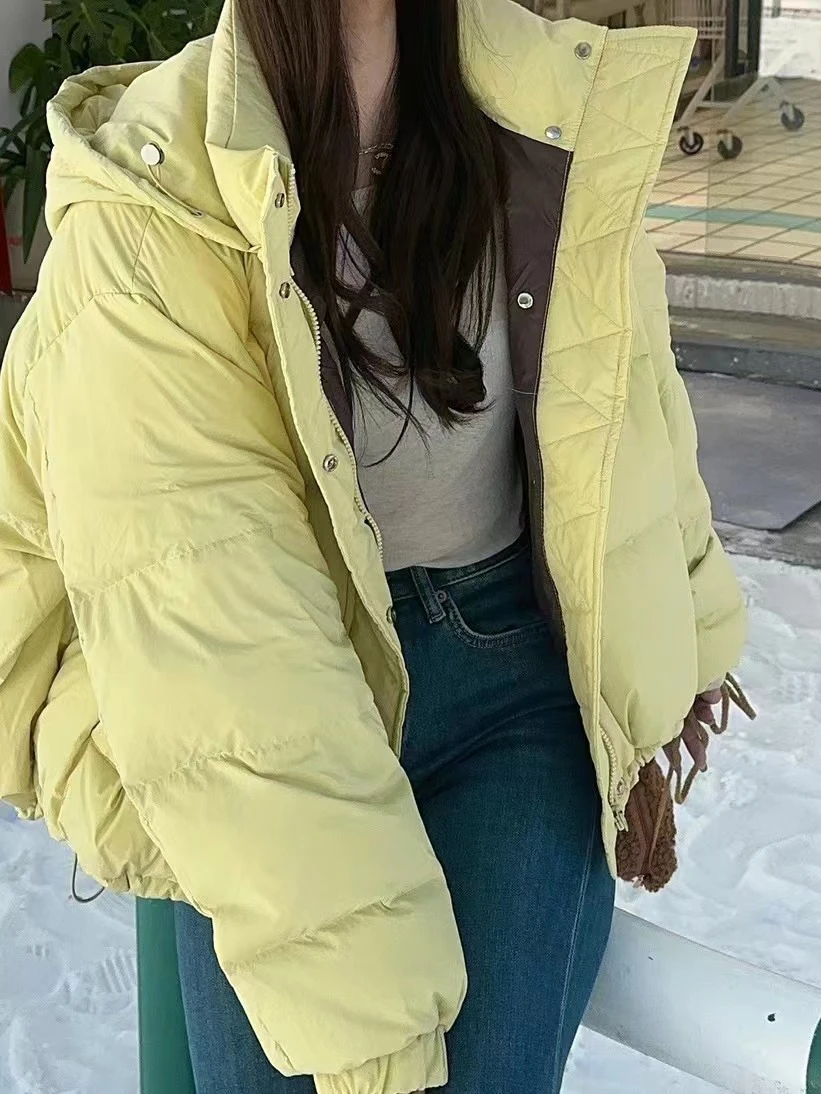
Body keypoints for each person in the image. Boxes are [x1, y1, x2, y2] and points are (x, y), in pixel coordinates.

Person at [0, 0, 748, 1091]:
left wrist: (689, 627)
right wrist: (371, 1047)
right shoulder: (156, 195)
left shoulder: (546, 105)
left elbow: (627, 407)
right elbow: (219, 631)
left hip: (512, 689)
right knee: (330, 1027)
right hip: (261, 709)